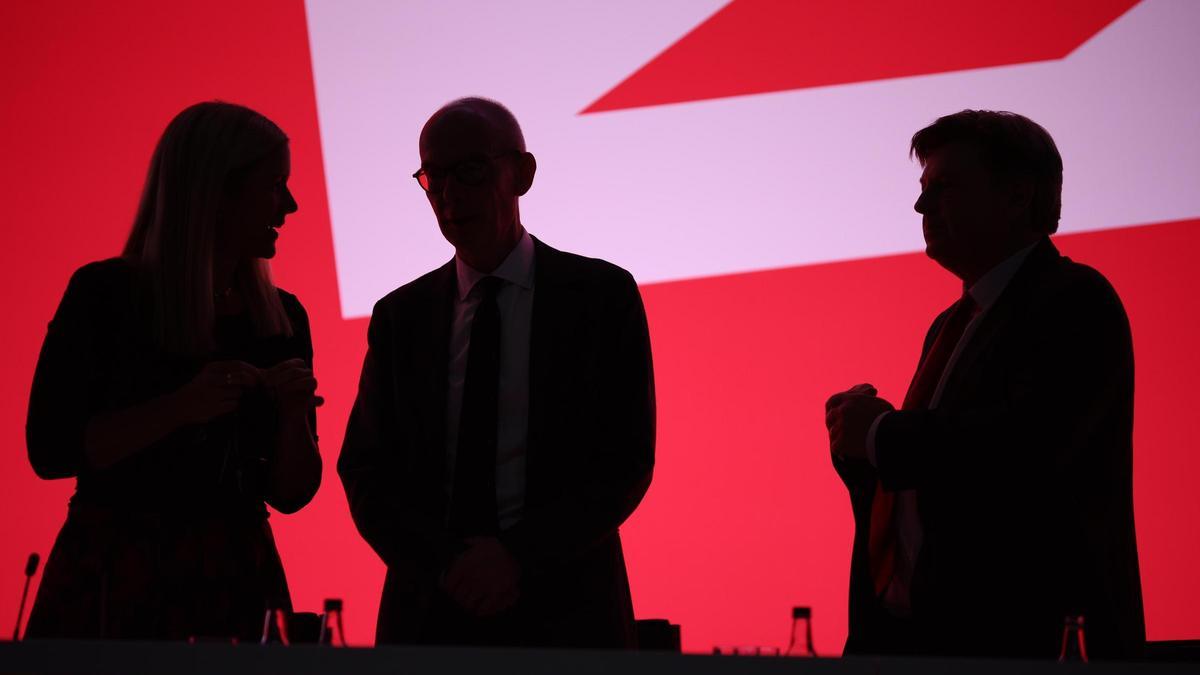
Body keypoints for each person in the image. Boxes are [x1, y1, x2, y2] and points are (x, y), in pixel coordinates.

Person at [824, 110, 1144, 659]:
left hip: (1027, 641)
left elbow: (1019, 455)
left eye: (943, 187)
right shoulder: (951, 326)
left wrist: (879, 436)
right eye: (923, 189)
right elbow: (936, 494)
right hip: (935, 641)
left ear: (1018, 196)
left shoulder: (1074, 301)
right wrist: (860, 453)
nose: (921, 207)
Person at [339, 97, 655, 648]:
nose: (449, 194)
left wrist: (516, 558)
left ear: (523, 174)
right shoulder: (400, 317)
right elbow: (367, 473)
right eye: (433, 178)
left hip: (570, 617)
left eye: (471, 170)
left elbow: (625, 462)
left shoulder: (602, 298)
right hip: (428, 619)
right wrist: (448, 566)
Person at [25, 101, 322, 641]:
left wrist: (293, 416)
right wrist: (180, 407)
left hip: (239, 582)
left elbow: (292, 495)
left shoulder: (282, 317)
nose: (291, 205)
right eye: (274, 185)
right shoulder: (104, 296)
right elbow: (50, 450)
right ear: (217, 193)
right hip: (116, 582)